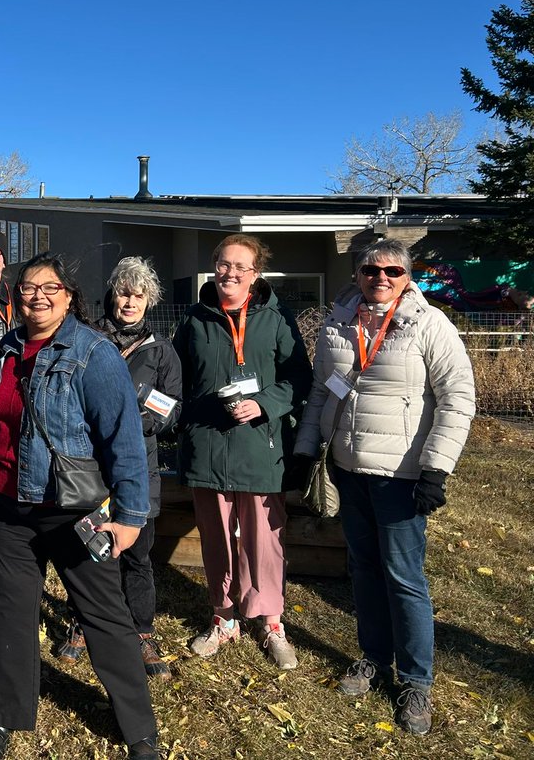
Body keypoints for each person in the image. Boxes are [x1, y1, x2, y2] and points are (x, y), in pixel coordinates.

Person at [0, 252, 159, 760]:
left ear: (69, 297)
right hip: (12, 508)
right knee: (10, 613)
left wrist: (129, 516)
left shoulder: (92, 353)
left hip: (74, 509)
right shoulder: (5, 350)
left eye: (49, 288)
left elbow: (123, 437)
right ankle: (4, 718)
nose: (37, 296)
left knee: (103, 615)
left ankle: (140, 730)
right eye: (28, 288)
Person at [294, 239, 475, 736]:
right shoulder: (337, 322)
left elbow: (458, 399)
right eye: (371, 269)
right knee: (363, 569)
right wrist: (308, 448)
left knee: (404, 577)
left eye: (393, 270)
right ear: (356, 273)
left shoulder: (429, 324)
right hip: (348, 468)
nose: (382, 277)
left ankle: (416, 680)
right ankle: (373, 657)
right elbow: (321, 391)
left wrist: (436, 468)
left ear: (407, 276)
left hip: (401, 475)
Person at [172, 235, 312, 669]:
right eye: (223, 264)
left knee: (263, 540)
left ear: (255, 274)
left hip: (259, 447)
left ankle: (271, 621)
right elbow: (175, 379)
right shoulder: (195, 319)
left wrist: (265, 404)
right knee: (215, 536)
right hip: (208, 445)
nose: (229, 273)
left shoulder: (276, 318)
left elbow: (299, 378)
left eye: (240, 266)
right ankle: (224, 615)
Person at [55, 256, 182, 680]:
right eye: (124, 292)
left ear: (150, 300)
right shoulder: (87, 340)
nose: (130, 301)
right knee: (87, 548)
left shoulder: (161, 351)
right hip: (90, 466)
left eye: (139, 294)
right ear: (113, 295)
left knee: (138, 554)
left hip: (138, 466)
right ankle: (82, 622)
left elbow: (169, 409)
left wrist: (127, 423)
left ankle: (142, 630)